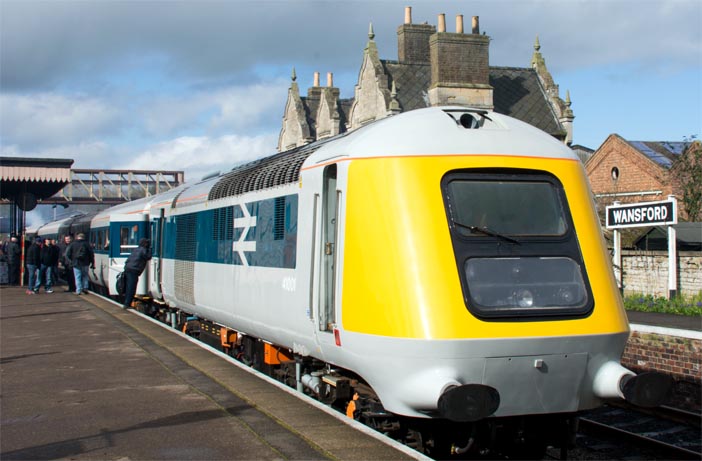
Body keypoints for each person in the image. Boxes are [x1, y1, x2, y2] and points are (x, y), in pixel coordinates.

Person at [122, 238, 152, 309]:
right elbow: (148, 257)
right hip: (134, 270)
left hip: (128, 269)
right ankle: (127, 304)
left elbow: (127, 260)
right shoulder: (143, 250)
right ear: (145, 244)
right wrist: (150, 249)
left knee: (128, 287)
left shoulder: (135, 250)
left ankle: (126, 302)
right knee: (132, 288)